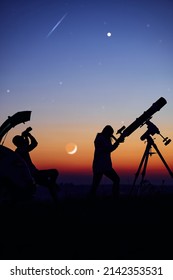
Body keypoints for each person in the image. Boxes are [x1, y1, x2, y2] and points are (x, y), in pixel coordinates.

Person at [12, 127, 59, 203]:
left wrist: (25, 135)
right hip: (34, 174)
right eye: (22, 140)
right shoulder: (22, 150)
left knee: (49, 186)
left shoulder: (19, 150)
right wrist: (29, 135)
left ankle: (56, 202)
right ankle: (54, 187)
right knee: (55, 172)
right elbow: (34, 143)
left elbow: (26, 143)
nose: (24, 140)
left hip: (32, 175)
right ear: (20, 142)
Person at [90, 125, 124, 199]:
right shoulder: (101, 139)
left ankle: (90, 199)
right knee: (116, 179)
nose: (111, 135)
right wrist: (117, 142)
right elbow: (109, 149)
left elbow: (109, 148)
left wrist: (117, 142)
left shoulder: (102, 138)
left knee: (95, 185)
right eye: (110, 133)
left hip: (102, 165)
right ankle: (115, 197)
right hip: (102, 165)